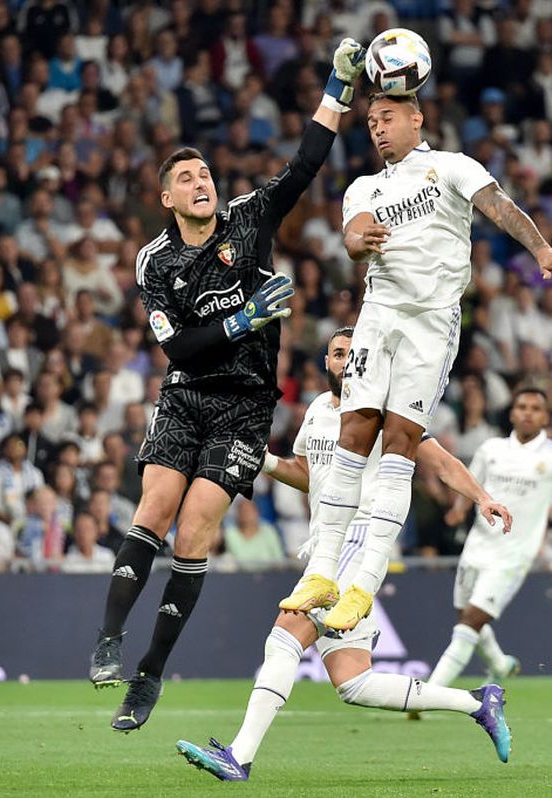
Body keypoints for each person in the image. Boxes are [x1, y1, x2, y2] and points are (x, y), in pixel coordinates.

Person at [89, 37, 368, 733]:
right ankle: (108, 639)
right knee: (154, 506)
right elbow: (177, 345)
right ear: (166, 198)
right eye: (185, 178)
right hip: (187, 391)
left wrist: (337, 87)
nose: (200, 181)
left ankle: (148, 677)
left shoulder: (248, 219)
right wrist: (245, 316)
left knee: (195, 531)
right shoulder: (155, 262)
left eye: (204, 172)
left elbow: (305, 163)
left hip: (245, 406)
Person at [279, 90, 552, 632]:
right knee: (353, 433)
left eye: (387, 118)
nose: (377, 128)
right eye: (370, 121)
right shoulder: (364, 186)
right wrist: (357, 240)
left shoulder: (450, 167)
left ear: (417, 119)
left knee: (400, 445)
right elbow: (352, 235)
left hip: (431, 322)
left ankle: (362, 584)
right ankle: (323, 571)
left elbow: (498, 205)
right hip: (379, 312)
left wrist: (537, 248)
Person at [176, 328, 514, 781]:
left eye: (354, 353)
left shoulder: (384, 413)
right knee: (355, 683)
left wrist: (482, 497)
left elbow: (441, 463)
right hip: (325, 544)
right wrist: (262, 461)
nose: (346, 360)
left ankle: (239, 755)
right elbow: (308, 475)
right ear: (327, 362)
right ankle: (478, 701)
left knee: (283, 637)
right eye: (338, 353)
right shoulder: (317, 410)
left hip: (359, 540)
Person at [419, 387, 552, 713]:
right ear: (512, 412)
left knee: (469, 623)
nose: (527, 412)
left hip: (513, 556)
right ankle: (498, 665)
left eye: (535, 408)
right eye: (522, 406)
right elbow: (472, 485)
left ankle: (428, 696)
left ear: (545, 416)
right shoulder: (491, 449)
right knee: (466, 619)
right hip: (477, 547)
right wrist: (458, 508)